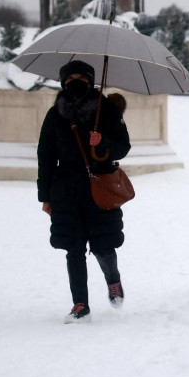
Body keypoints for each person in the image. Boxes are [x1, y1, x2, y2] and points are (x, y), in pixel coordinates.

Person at [37, 60, 131, 323]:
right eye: (69, 77)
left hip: (99, 187)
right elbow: (45, 155)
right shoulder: (55, 114)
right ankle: (80, 305)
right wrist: (45, 196)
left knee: (103, 245)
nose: (74, 82)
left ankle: (113, 280)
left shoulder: (107, 110)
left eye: (81, 77)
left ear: (91, 81)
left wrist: (104, 143)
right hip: (65, 191)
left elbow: (124, 146)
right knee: (73, 248)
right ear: (62, 82)